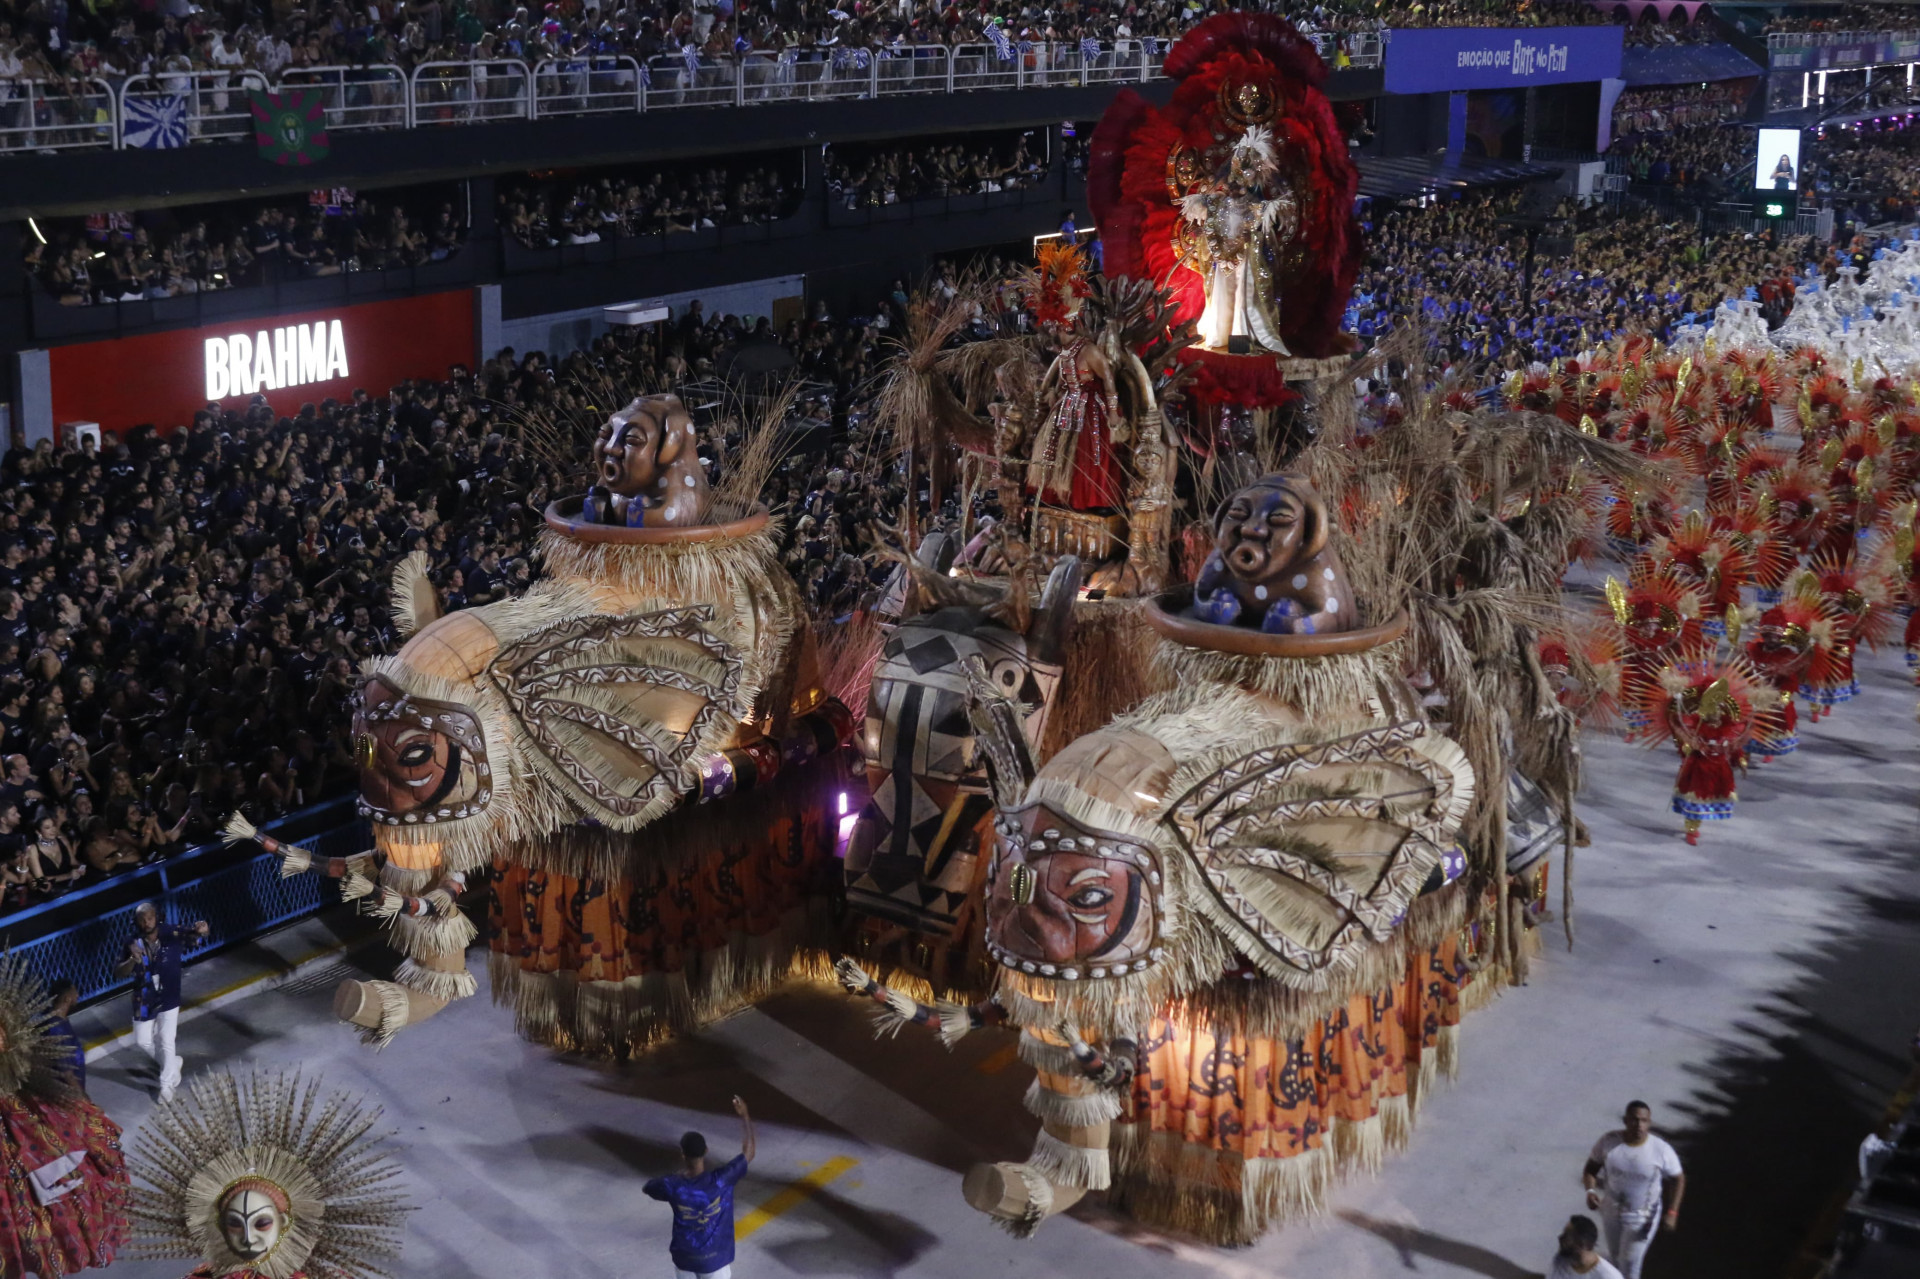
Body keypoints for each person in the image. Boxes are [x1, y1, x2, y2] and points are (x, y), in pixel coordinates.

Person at [643, 1095, 756, 1279]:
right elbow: (749, 1152)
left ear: (683, 1154)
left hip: (685, 1260)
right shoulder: (723, 1180)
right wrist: (745, 1115)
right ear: (706, 1151)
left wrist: (677, 1177)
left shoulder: (672, 1185)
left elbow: (648, 1188)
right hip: (715, 1261)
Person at [112, 902, 209, 1101]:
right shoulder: (131, 942)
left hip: (170, 992)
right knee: (142, 1041)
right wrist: (132, 960)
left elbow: (195, 936)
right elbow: (118, 972)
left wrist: (202, 930)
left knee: (166, 1038)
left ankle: (166, 1085)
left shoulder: (171, 933)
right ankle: (172, 1063)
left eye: (150, 918)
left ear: (157, 917)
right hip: (144, 995)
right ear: (137, 922)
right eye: (142, 920)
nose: (147, 923)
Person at [1582, 1100, 1685, 1279]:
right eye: (1634, 1120)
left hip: (1642, 1216)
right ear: (1625, 1120)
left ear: (1649, 1123)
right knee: (1615, 1258)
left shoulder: (1660, 1150)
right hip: (1611, 1212)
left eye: (1644, 1121)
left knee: (1630, 1263)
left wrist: (1672, 1212)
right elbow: (1590, 1169)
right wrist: (1590, 1192)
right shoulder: (1609, 1142)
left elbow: (1678, 1179)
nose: (1639, 1125)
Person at [44, 976, 86, 1093]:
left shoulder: (60, 1020)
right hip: (69, 1094)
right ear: (67, 999)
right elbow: (66, 1072)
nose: (77, 996)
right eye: (75, 993)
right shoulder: (57, 1030)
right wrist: (83, 1098)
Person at [1549, 1214, 1624, 1278]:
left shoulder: (1609, 1276)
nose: (1560, 1238)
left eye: (1566, 1236)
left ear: (1582, 1244)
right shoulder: (1560, 1261)